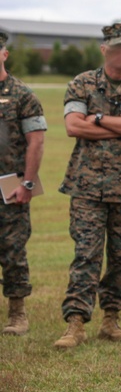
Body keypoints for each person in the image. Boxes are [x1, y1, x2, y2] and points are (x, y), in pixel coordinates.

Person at [53, 22, 121, 349]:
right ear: (103, 49)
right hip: (86, 187)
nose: (119, 53)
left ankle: (111, 320)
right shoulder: (82, 83)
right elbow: (72, 127)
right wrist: (120, 125)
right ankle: (75, 324)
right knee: (86, 255)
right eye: (114, 48)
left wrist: (95, 120)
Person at [0, 31, 46, 336]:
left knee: (12, 249)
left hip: (9, 184)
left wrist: (28, 184)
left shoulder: (22, 95)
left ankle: (17, 314)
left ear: (4, 54)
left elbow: (36, 142)